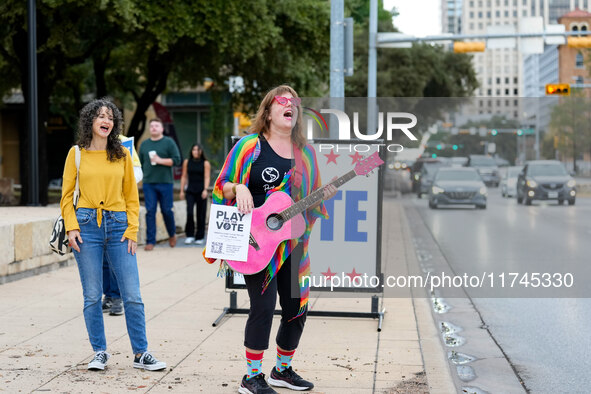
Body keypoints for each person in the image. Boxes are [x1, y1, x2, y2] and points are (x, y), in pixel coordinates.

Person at [204, 85, 337, 394]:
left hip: (293, 244)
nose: (290, 106)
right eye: (283, 102)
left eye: (295, 104)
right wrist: (238, 187)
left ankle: (282, 370)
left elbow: (311, 202)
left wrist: (323, 196)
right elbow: (221, 183)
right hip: (258, 244)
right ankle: (251, 377)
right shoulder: (250, 146)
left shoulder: (306, 154)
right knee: (263, 308)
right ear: (268, 112)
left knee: (298, 308)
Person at [60, 98, 166, 371]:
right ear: (90, 122)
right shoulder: (77, 154)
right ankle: (99, 352)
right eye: (100, 116)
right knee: (93, 295)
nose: (106, 121)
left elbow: (132, 196)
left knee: (132, 294)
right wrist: (71, 227)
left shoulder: (122, 155)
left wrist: (132, 230)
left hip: (119, 227)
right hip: (86, 227)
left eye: (110, 117)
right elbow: (66, 196)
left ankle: (141, 353)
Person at [102, 136, 143, 316]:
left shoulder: (124, 144)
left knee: (114, 260)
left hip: (118, 210)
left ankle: (117, 297)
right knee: (102, 260)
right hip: (95, 213)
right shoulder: (87, 145)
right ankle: (108, 295)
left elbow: (138, 173)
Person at [138, 118, 181, 251]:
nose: (154, 128)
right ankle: (150, 241)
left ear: (162, 129)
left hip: (165, 182)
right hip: (148, 183)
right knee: (150, 211)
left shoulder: (168, 142)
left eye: (157, 126)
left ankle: (172, 234)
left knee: (166, 210)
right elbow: (139, 163)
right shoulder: (144, 144)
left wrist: (159, 160)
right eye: (151, 126)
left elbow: (177, 160)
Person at [180, 143, 211, 245]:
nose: (196, 152)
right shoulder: (187, 162)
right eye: (194, 150)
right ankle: (189, 235)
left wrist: (205, 190)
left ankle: (200, 236)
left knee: (200, 214)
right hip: (190, 191)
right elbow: (184, 176)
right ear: (191, 151)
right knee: (189, 212)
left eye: (198, 150)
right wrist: (181, 190)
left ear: (201, 151)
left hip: (201, 191)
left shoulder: (205, 163)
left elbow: (207, 177)